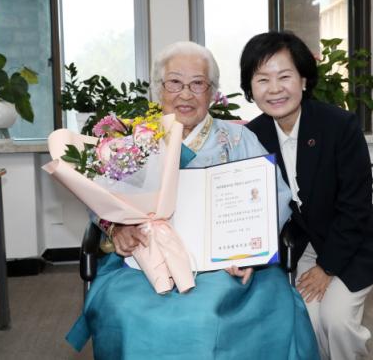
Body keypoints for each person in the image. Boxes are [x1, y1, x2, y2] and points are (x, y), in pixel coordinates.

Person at [66, 41, 319, 360]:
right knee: (126, 308)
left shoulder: (239, 139)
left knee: (214, 314)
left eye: (198, 83)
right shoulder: (132, 143)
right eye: (174, 82)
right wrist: (117, 228)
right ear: (158, 89)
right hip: (146, 263)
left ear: (212, 92)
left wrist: (249, 252)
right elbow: (101, 199)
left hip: (225, 264)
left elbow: (275, 198)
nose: (185, 94)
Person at [240, 31, 373, 360]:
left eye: (284, 76)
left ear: (304, 80)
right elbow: (255, 205)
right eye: (262, 79)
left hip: (354, 242)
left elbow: (354, 207)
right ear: (250, 88)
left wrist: (326, 268)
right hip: (307, 244)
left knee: (337, 321)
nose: (275, 89)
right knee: (306, 318)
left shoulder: (339, 126)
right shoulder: (254, 135)